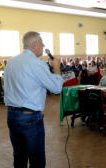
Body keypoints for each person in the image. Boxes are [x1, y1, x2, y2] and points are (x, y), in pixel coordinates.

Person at [4, 31, 63, 167]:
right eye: (42, 43)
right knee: (36, 158)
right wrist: (56, 68)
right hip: (29, 117)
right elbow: (56, 88)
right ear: (34, 44)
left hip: (12, 115)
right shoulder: (36, 64)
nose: (43, 45)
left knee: (19, 156)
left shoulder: (11, 62)